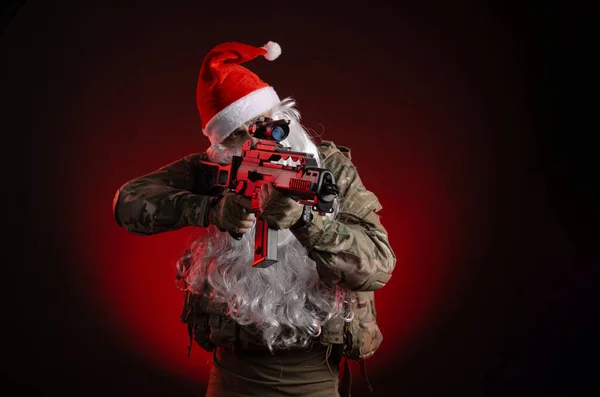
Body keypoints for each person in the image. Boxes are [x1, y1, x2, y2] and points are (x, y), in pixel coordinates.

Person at [112, 40, 397, 397]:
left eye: (264, 124)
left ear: (284, 117)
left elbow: (378, 266)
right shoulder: (210, 170)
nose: (256, 141)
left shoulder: (330, 168)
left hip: (314, 376)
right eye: (237, 134)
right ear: (220, 145)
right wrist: (210, 210)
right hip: (232, 377)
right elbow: (128, 204)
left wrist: (309, 223)